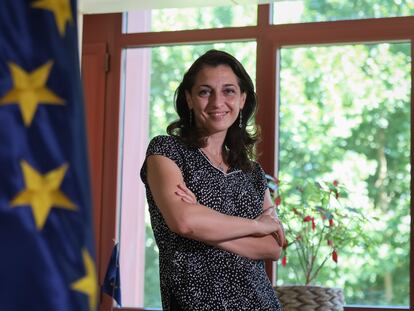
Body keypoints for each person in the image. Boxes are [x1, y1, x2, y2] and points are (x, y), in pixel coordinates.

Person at [140, 49, 285, 310]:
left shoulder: (252, 172)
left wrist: (205, 222)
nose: (218, 102)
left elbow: (273, 247)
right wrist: (256, 225)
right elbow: (185, 222)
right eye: (205, 91)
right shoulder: (166, 151)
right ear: (189, 99)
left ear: (242, 99)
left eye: (229, 91)